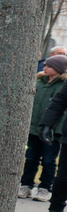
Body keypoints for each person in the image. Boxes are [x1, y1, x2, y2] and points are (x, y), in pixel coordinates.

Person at [24, 55, 67, 203]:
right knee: (31, 158)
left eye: (50, 66)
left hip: (54, 130)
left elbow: (60, 109)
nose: (45, 67)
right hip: (34, 127)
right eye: (45, 65)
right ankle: (26, 184)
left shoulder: (62, 85)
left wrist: (56, 129)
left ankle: (45, 187)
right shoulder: (39, 82)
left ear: (59, 69)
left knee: (49, 160)